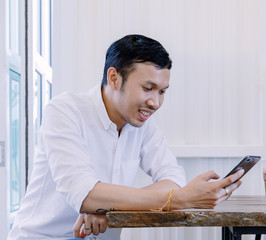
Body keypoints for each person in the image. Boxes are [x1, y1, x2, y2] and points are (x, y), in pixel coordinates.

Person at [7, 34, 244, 240]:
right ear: (114, 78)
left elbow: (173, 177)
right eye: (147, 88)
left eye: (162, 92)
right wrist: (177, 200)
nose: (155, 102)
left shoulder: (142, 124)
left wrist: (105, 207)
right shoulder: (65, 110)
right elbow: (82, 192)